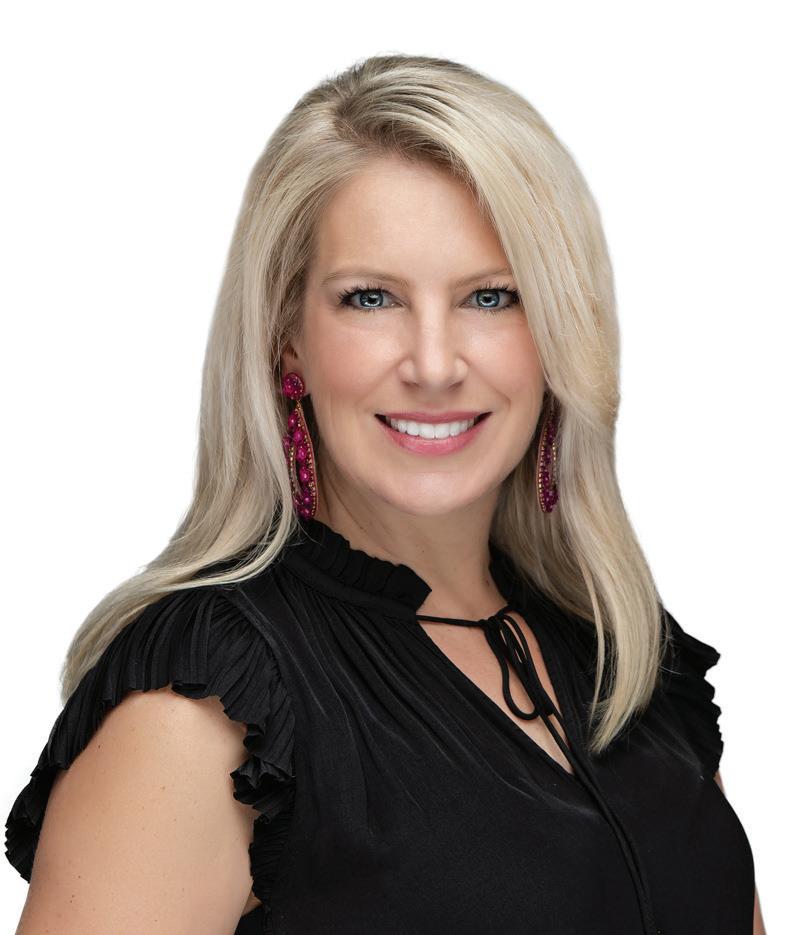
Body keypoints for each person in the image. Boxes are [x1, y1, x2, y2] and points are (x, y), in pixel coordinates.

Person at [5, 54, 764, 934]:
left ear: (559, 331)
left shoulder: (624, 653)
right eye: (371, 298)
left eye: (492, 297)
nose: (434, 364)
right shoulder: (207, 707)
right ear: (287, 336)